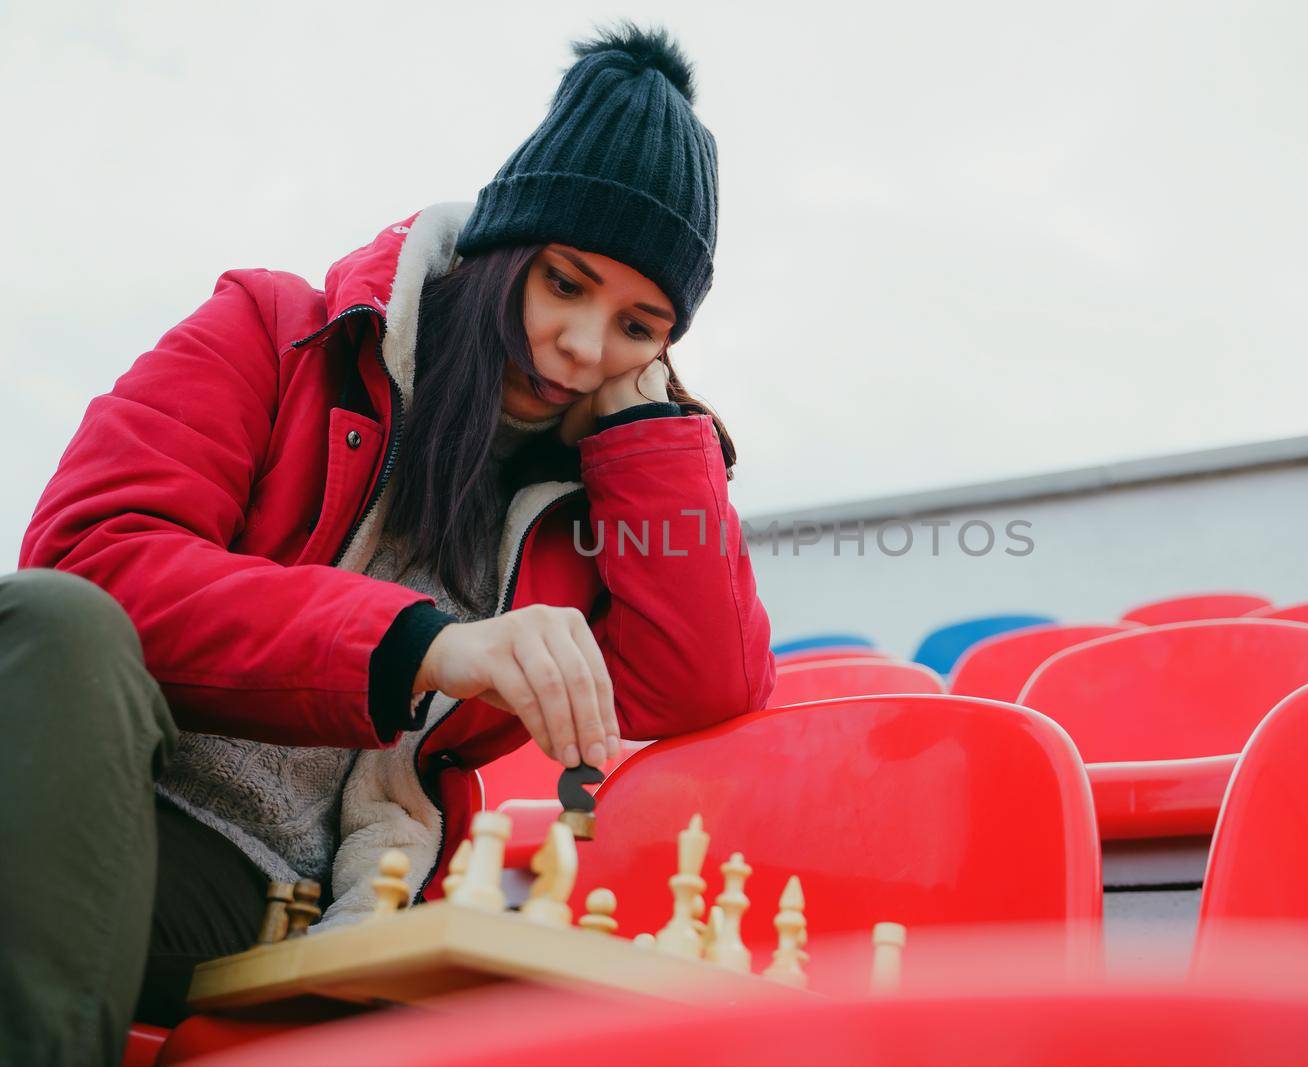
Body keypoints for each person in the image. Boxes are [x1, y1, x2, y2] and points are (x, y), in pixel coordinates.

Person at [0, 20, 776, 1066]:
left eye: (640, 326)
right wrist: (422, 645)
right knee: (52, 622)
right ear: (502, 252)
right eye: (564, 281)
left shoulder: (590, 495)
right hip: (105, 798)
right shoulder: (272, 330)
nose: (585, 347)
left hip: (270, 887)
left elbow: (704, 685)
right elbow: (90, 559)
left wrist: (651, 435)